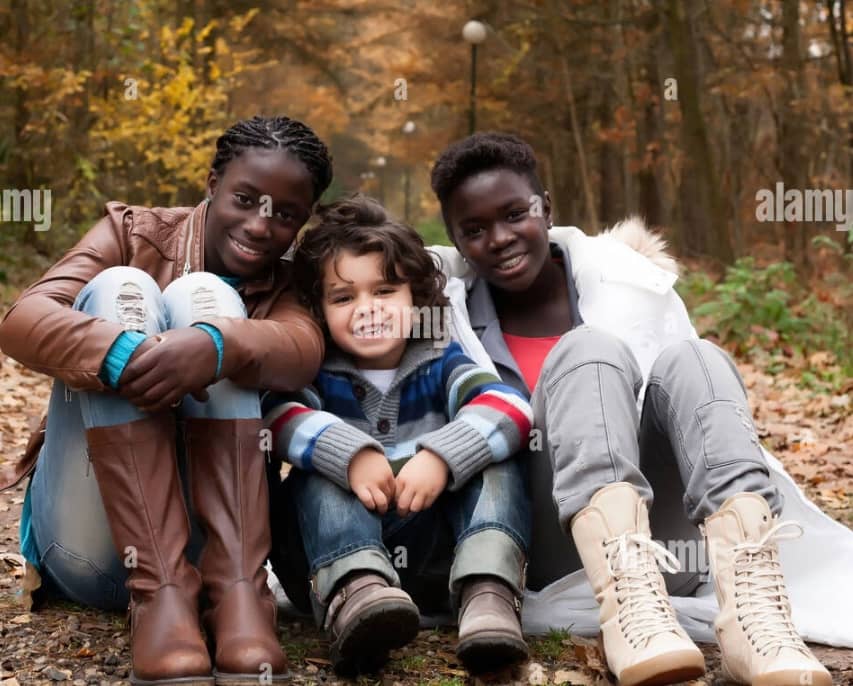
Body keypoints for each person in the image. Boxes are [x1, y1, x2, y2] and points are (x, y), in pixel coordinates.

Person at [426, 132, 833, 686]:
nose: (498, 238)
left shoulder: (627, 285)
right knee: (587, 350)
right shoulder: (443, 317)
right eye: (473, 230)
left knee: (698, 357)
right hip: (542, 542)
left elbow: (701, 421)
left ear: (547, 209)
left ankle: (755, 622)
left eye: (514, 213)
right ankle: (629, 617)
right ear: (454, 241)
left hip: (669, 547)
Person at [0, 115, 333, 686]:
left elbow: (302, 349)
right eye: (246, 199)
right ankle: (159, 593)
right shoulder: (131, 232)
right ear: (212, 184)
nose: (260, 225)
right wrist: (120, 351)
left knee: (205, 298)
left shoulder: (287, 283)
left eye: (285, 214)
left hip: (209, 551)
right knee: (118, 287)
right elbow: (22, 318)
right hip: (87, 542)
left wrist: (216, 345)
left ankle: (237, 598)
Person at [262, 195, 533, 675]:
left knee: (494, 458)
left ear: (416, 297)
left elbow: (510, 407)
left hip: (435, 562)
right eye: (344, 298)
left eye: (384, 291)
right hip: (324, 561)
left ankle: (487, 592)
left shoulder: (439, 360)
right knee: (320, 472)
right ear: (320, 310)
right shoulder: (319, 371)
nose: (367, 310)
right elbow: (278, 416)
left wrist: (443, 457)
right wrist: (348, 454)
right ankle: (357, 591)